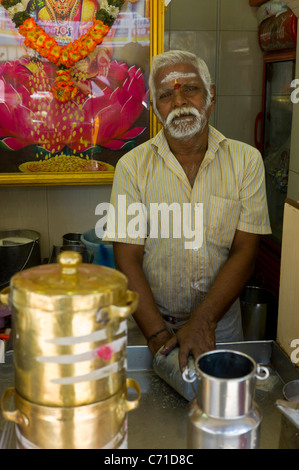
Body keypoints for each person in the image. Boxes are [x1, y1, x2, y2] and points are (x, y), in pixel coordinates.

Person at [103, 50, 271, 372]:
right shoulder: (132, 167)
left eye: (190, 89)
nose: (179, 102)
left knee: (222, 413)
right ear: (155, 109)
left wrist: (203, 321)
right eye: (166, 95)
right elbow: (127, 258)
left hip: (220, 326)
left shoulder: (246, 162)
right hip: (151, 324)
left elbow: (245, 253)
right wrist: (156, 336)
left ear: (211, 96)